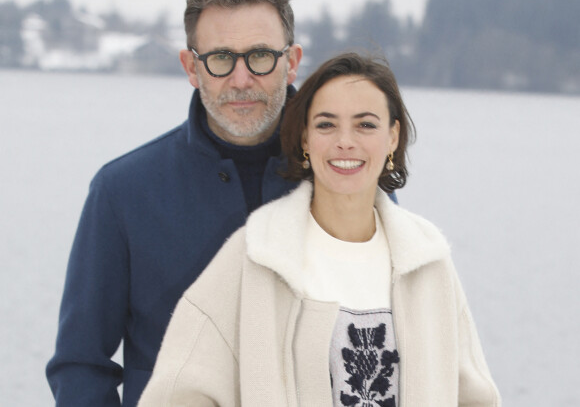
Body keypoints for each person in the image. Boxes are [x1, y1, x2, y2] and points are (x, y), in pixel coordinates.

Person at [138, 52, 501, 406]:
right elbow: (175, 395)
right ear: (305, 140)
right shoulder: (257, 254)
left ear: (392, 138)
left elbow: (475, 398)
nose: (345, 141)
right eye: (326, 124)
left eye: (366, 124)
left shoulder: (427, 261)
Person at [46, 0, 304, 406]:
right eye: (221, 58)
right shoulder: (121, 192)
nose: (241, 80)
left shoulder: (349, 180)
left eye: (260, 56)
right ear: (191, 66)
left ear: (292, 62)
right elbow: (80, 364)